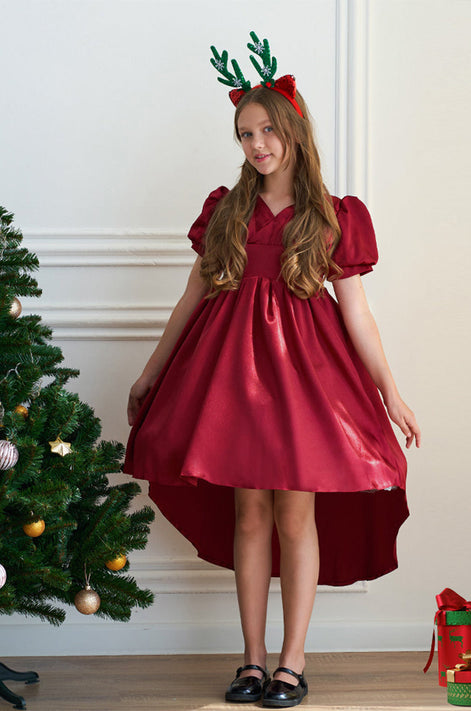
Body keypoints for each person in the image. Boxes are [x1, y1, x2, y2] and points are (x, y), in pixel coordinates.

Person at [124, 33, 421, 709]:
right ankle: (252, 659)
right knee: (250, 515)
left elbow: (357, 316)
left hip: (305, 383)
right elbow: (193, 297)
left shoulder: (333, 216)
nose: (257, 145)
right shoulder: (226, 209)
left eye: (267, 131)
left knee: (295, 515)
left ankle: (293, 661)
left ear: (293, 131)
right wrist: (150, 372)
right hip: (231, 380)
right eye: (244, 134)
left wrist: (391, 393)